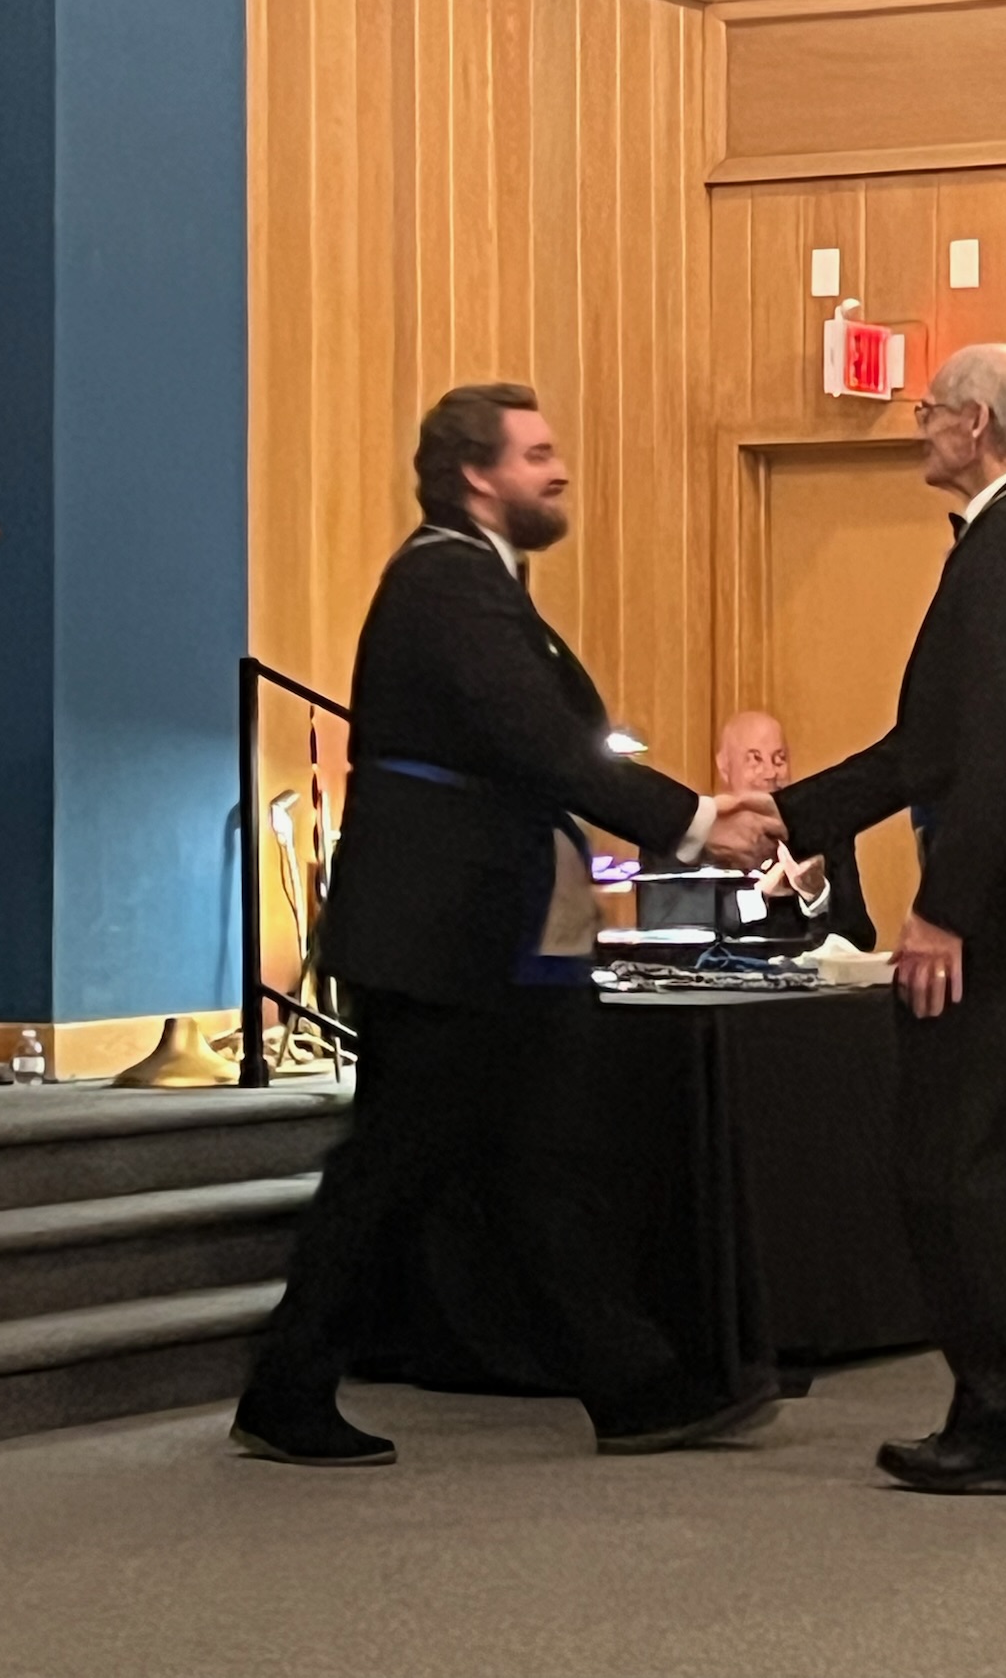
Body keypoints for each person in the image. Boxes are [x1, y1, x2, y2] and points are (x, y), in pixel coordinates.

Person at [233, 383, 781, 1467]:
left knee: (537, 1163)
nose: (558, 469)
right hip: (440, 932)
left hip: (481, 929)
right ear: (476, 475)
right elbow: (537, 736)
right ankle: (290, 1386)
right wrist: (693, 820)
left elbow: (547, 743)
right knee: (403, 1166)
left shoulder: (479, 580)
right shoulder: (446, 580)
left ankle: (634, 1385)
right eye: (535, 454)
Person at [770, 344, 1006, 1495]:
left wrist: (940, 909)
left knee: (951, 1157)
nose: (918, 424)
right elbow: (928, 746)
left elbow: (993, 755)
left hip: (998, 892)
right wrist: (782, 815)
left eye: (929, 409)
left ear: (975, 423)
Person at [643, 709, 876, 951]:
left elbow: (860, 937)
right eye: (755, 759)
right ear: (724, 766)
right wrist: (756, 897)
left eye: (779, 760)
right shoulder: (684, 835)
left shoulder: (825, 836)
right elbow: (661, 927)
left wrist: (817, 896)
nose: (770, 773)